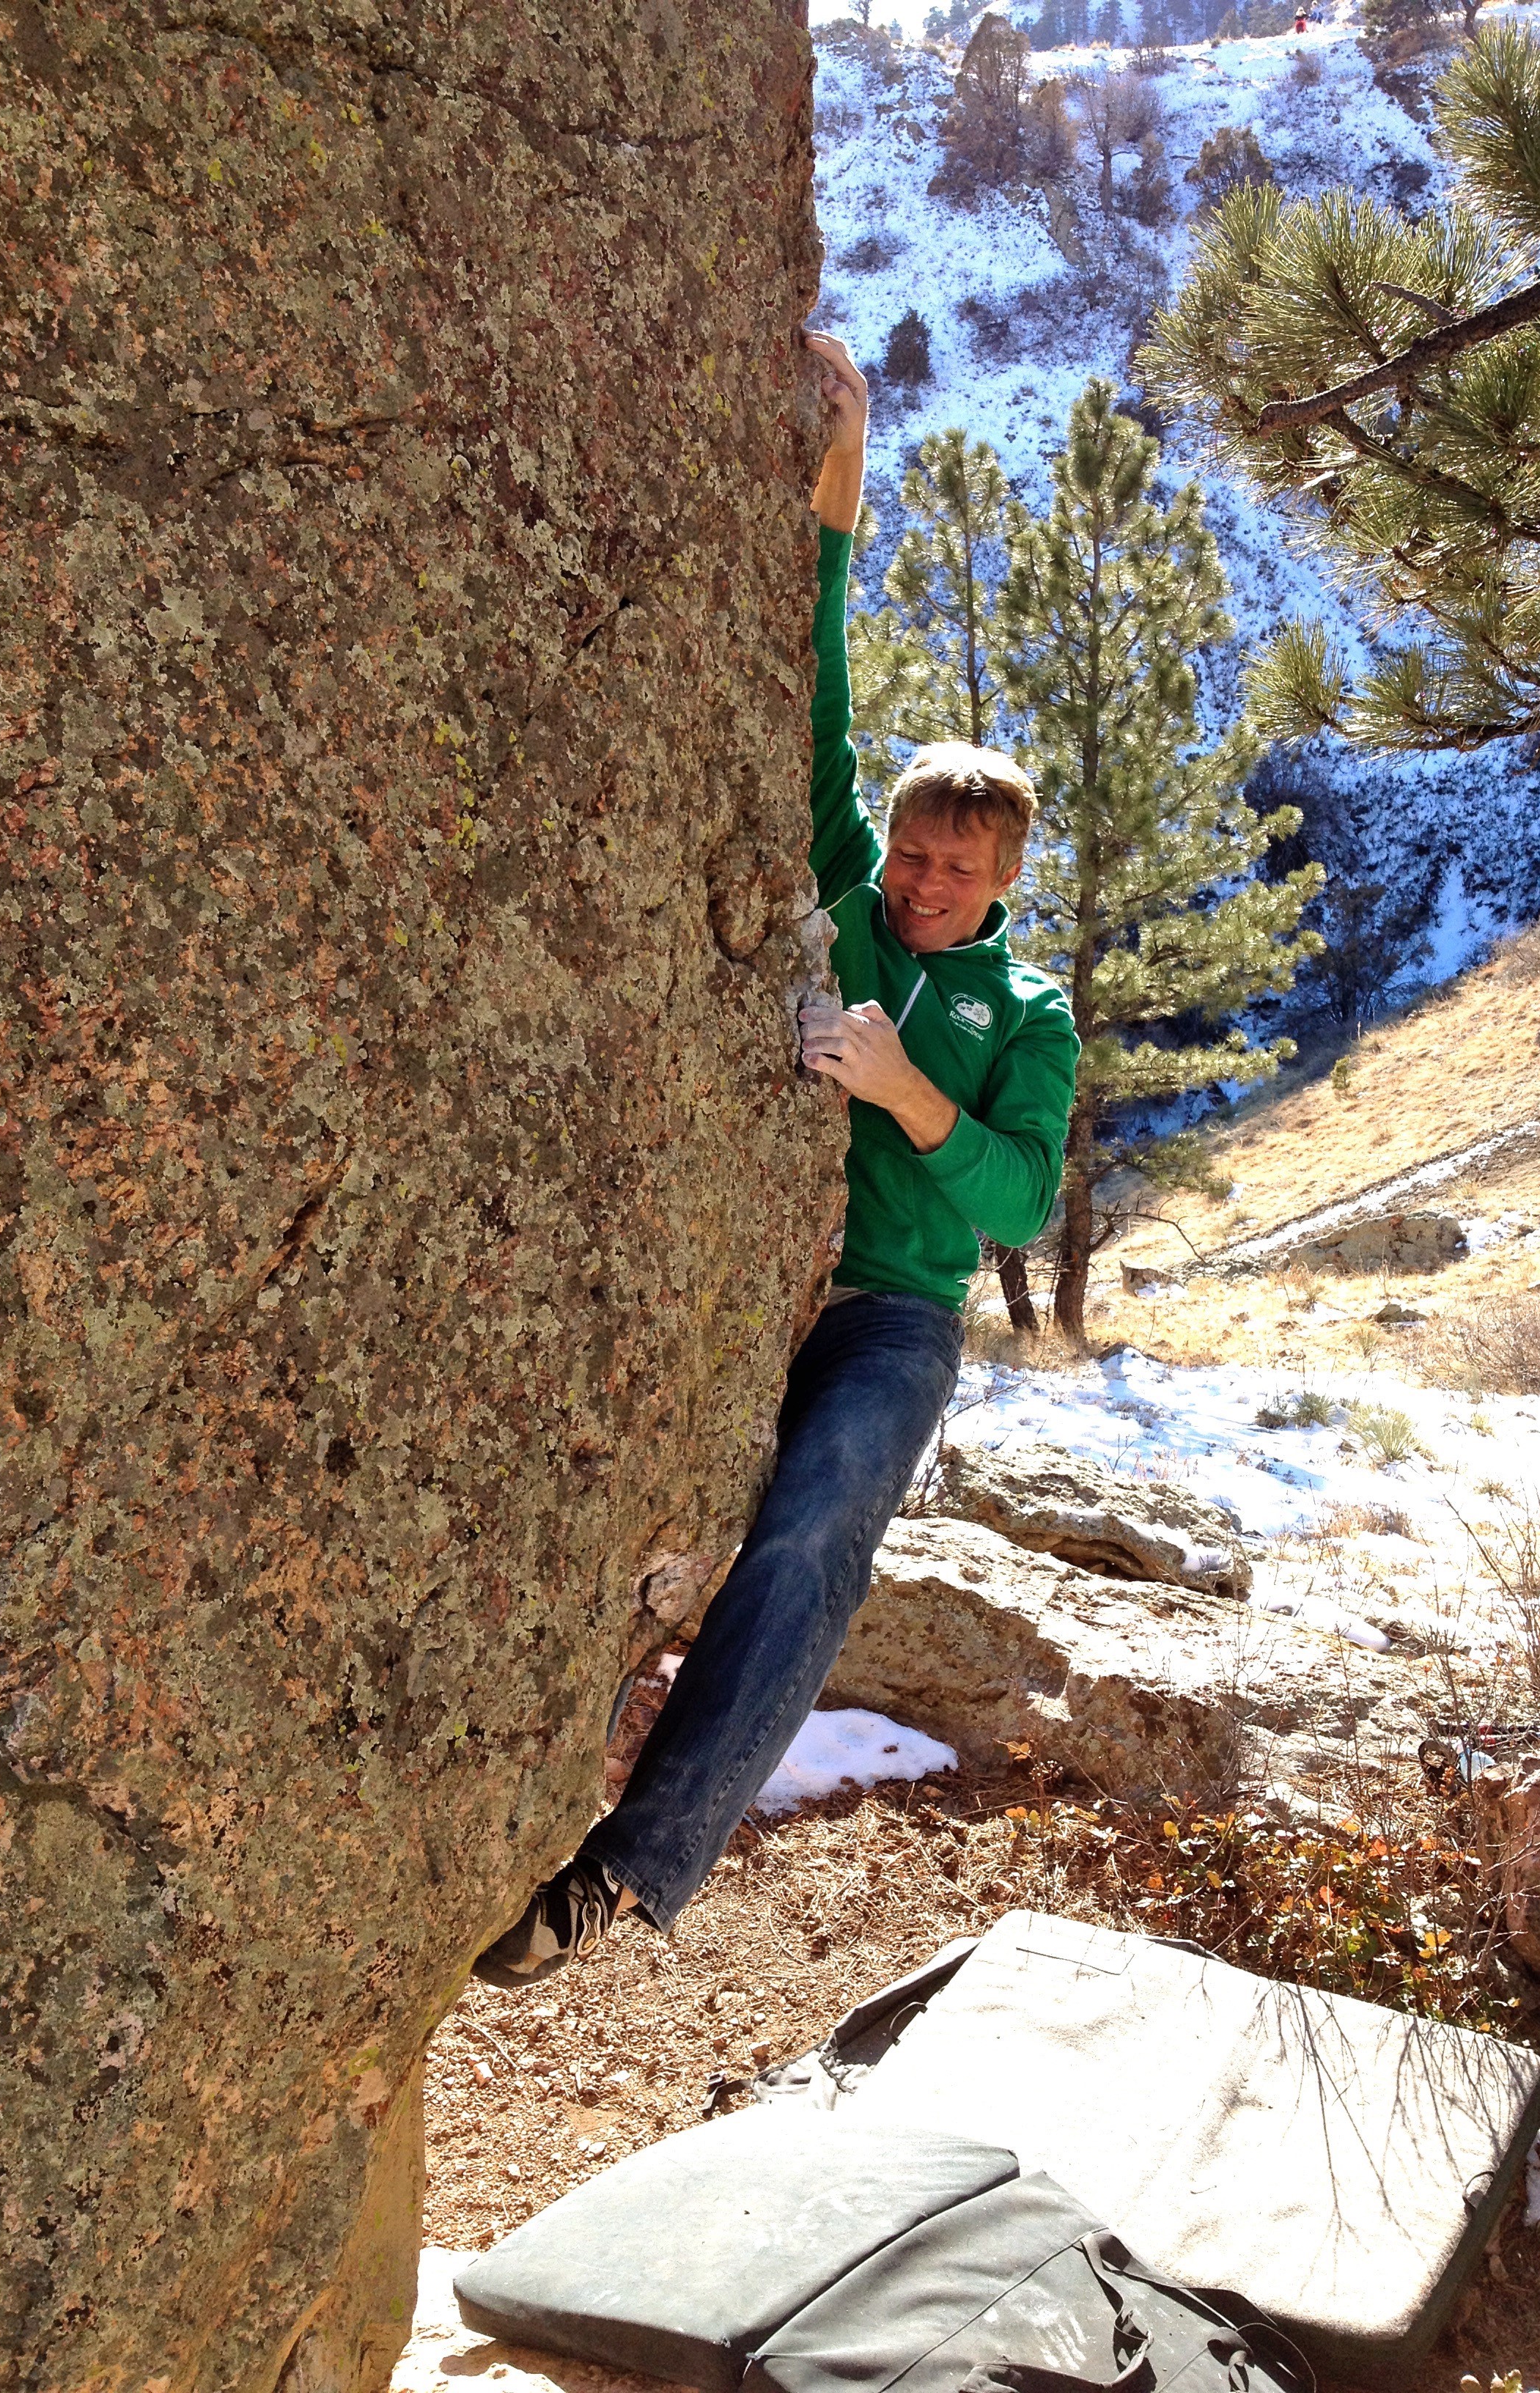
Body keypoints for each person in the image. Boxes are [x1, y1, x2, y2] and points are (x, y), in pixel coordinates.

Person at [473, 333, 1079, 1987]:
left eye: (953, 870)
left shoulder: (1022, 1009)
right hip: (761, 1278)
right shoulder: (851, 878)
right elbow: (817, 680)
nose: (917, 886)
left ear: (1005, 872)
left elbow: (1021, 1198)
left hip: (888, 1310)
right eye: (908, 854)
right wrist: (844, 461)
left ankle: (626, 1878)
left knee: (812, 1543)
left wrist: (906, 1093)